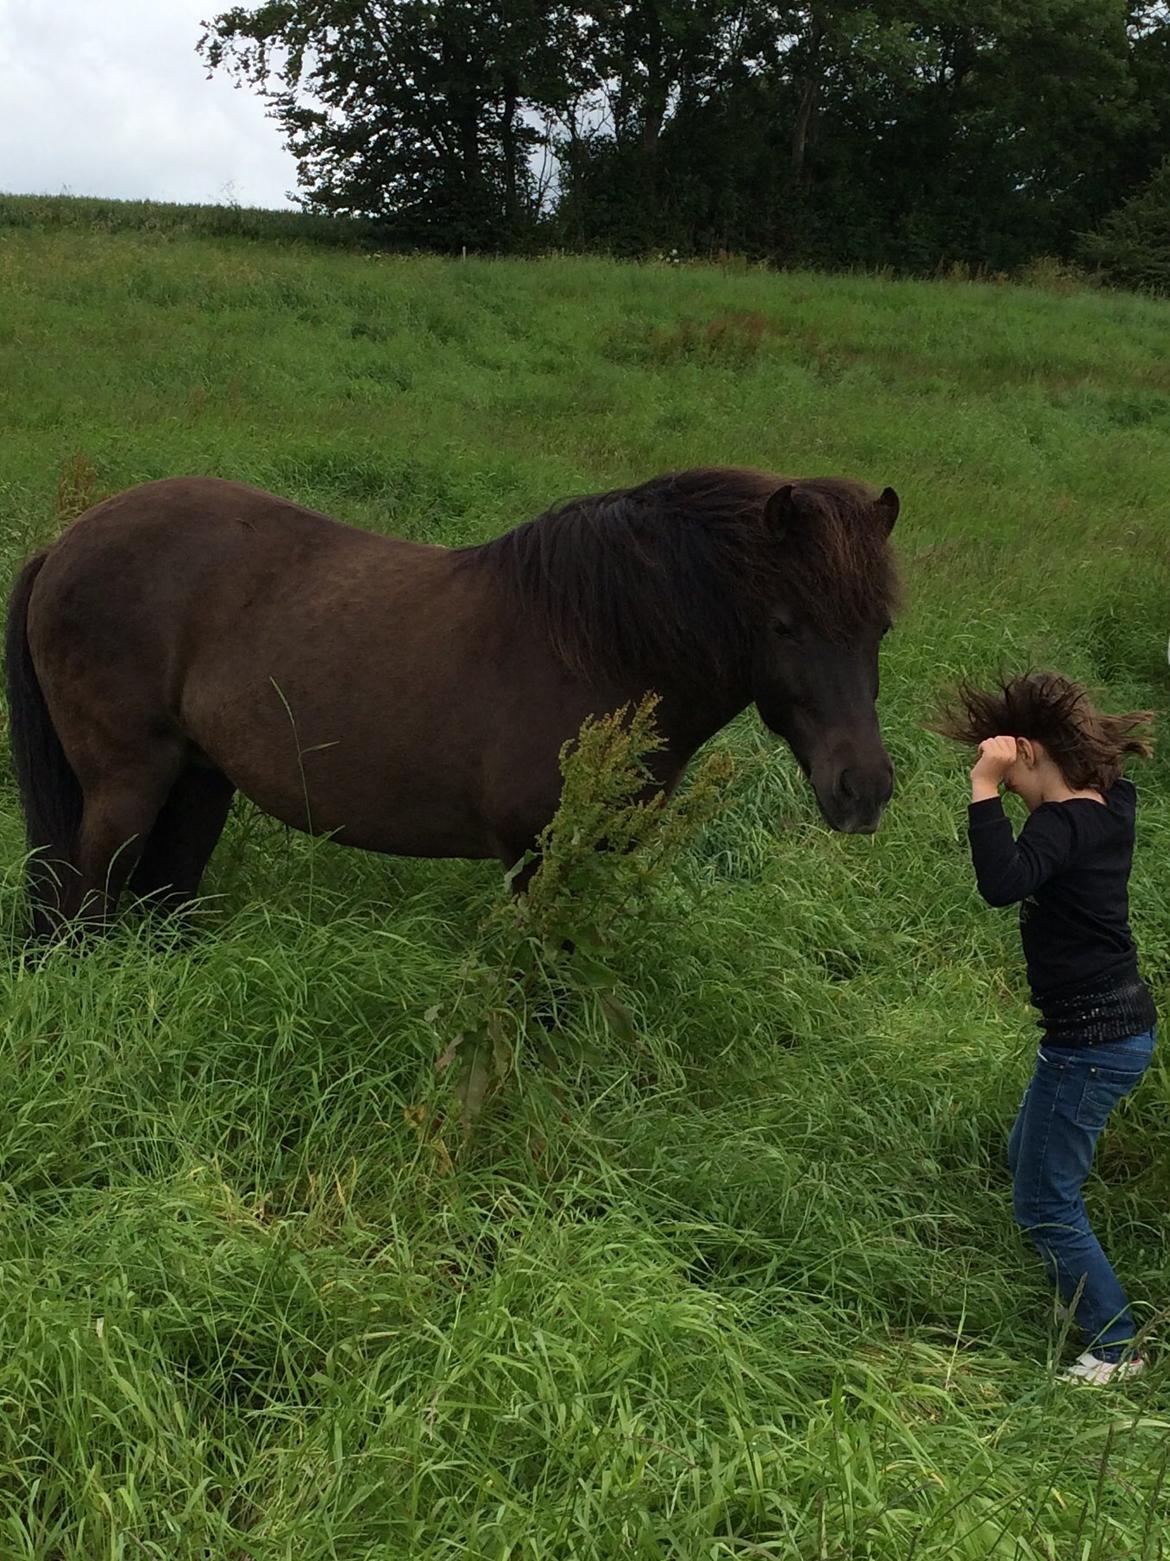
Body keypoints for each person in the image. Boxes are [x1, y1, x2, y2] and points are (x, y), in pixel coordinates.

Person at [937, 672, 1156, 1384]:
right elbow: (1100, 782)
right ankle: (1077, 1284)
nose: (1008, 785)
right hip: (1114, 1032)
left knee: (1042, 1198)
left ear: (1027, 752)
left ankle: (1116, 1344)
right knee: (1024, 1149)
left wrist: (982, 790)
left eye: (1009, 768)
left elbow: (1003, 881)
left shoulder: (1060, 824)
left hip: (1088, 1043)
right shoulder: (1111, 806)